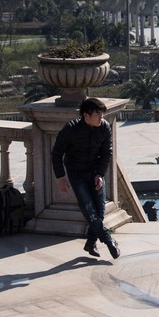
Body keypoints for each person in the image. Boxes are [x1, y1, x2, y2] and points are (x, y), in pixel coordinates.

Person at [51, 97, 121, 259]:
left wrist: (100, 174)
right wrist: (61, 177)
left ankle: (90, 243)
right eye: (97, 114)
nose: (101, 117)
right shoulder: (70, 129)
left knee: (99, 212)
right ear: (85, 115)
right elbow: (56, 154)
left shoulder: (104, 127)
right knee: (90, 211)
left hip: (95, 172)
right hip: (77, 175)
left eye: (102, 113)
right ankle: (109, 241)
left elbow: (106, 153)